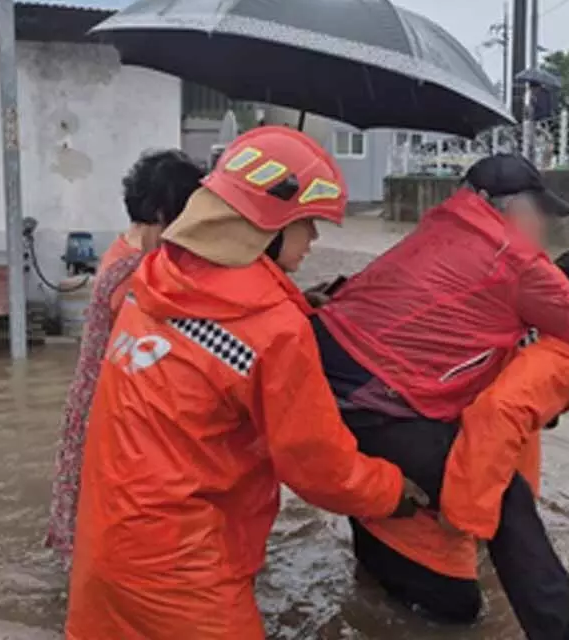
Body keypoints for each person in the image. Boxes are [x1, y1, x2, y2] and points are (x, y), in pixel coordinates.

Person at [65, 126, 427, 640]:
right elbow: (318, 467)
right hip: (186, 572)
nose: (315, 241)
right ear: (267, 226)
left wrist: (296, 302)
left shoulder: (153, 278)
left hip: (103, 556)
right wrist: (391, 491)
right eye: (307, 225)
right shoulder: (274, 328)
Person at [309, 153, 569, 638]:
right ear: (513, 209)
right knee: (500, 508)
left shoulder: (434, 236)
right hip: (373, 408)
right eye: (541, 215)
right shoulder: (519, 266)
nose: (544, 230)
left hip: (334, 399)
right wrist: (468, 514)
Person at [45, 149, 204, 568]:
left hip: (101, 402)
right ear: (160, 212)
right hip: (112, 410)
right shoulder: (135, 273)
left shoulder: (125, 253)